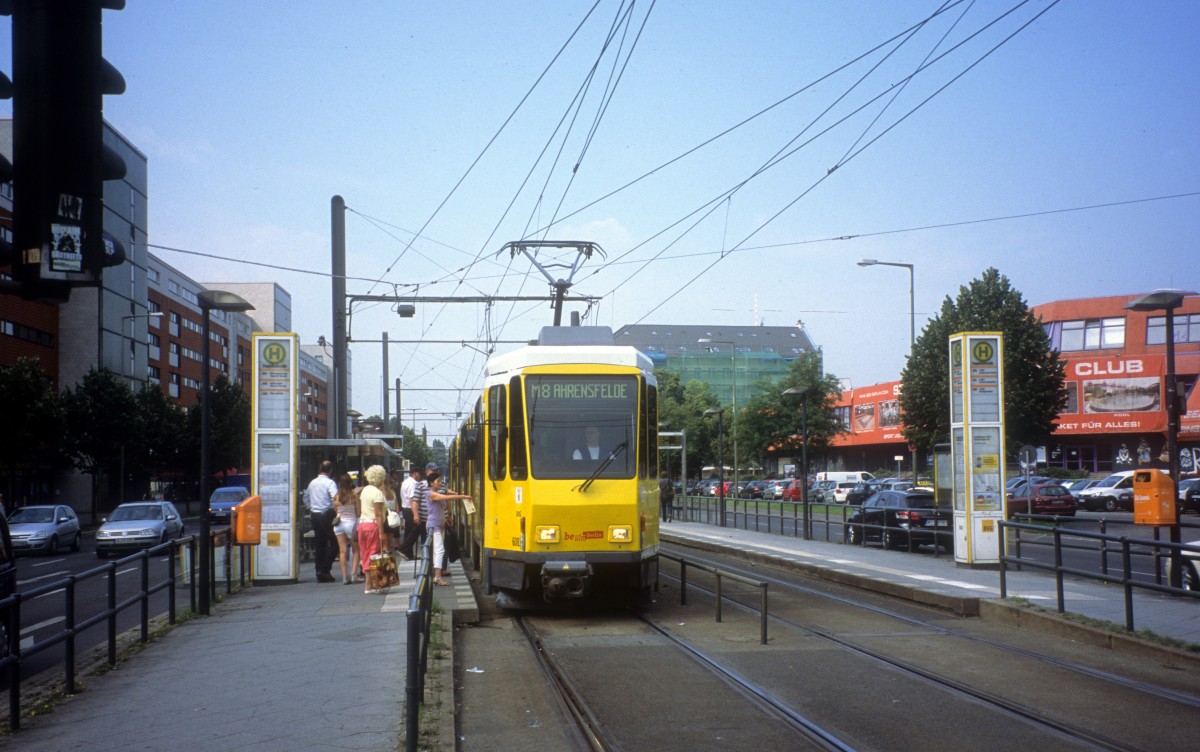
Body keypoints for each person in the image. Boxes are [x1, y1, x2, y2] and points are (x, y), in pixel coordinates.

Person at [425, 473, 471, 586]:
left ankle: (436, 576)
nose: (440, 483)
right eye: (438, 481)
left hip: (440, 525)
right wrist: (463, 497)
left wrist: (445, 518)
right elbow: (446, 497)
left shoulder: (436, 493)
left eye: (440, 481)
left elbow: (444, 502)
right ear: (431, 483)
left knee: (438, 550)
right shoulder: (431, 494)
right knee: (439, 550)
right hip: (434, 526)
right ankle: (438, 577)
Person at [305, 460, 339, 583]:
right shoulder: (330, 483)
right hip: (327, 514)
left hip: (315, 515)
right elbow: (336, 499)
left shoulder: (312, 482)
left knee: (320, 543)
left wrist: (311, 507)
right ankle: (325, 569)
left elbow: (305, 497)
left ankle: (319, 570)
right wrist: (337, 512)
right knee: (335, 543)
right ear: (330, 470)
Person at [357, 464, 389, 594]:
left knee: (365, 554)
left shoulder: (365, 490)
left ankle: (368, 585)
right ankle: (375, 584)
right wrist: (382, 532)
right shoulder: (377, 493)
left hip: (362, 525)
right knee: (374, 554)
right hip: (373, 525)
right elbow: (378, 514)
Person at [333, 473, 362, 585]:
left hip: (339, 525)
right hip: (351, 524)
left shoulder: (336, 497)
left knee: (342, 551)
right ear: (351, 483)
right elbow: (358, 513)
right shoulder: (354, 496)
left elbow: (336, 511)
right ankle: (354, 575)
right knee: (356, 551)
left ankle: (345, 577)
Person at [398, 466, 422, 560]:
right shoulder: (412, 484)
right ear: (415, 473)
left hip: (405, 509)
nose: (420, 476)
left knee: (408, 531)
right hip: (410, 509)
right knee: (416, 530)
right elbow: (412, 499)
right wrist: (416, 514)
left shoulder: (405, 482)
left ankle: (409, 554)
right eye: (419, 474)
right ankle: (404, 549)